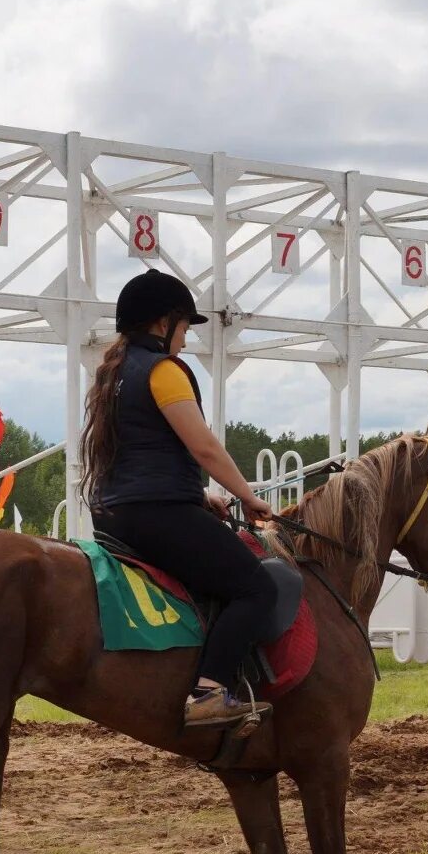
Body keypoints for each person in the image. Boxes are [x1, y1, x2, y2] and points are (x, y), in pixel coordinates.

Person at [82, 269, 277, 728]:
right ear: (163, 323)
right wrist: (246, 496)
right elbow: (203, 445)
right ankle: (210, 690)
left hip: (115, 514)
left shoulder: (113, 372)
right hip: (156, 515)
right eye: (185, 328)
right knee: (256, 587)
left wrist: (199, 495)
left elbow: (141, 453)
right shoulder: (164, 371)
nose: (186, 341)